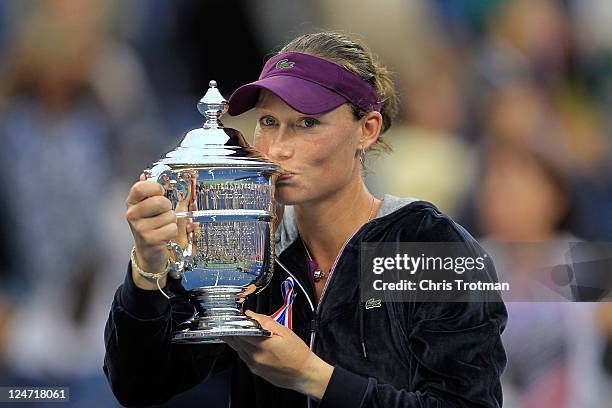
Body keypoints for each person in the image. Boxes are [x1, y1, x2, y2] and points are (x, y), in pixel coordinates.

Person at [104, 31, 507, 407]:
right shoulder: (244, 245)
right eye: (268, 123)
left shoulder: (426, 246)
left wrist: (314, 377)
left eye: (307, 124)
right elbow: (138, 386)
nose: (277, 149)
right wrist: (147, 269)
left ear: (367, 129)